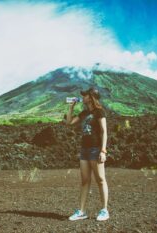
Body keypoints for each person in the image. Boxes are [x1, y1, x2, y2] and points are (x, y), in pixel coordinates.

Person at [65, 87, 109, 221]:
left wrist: (103, 150)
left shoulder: (99, 112)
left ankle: (104, 210)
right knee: (85, 181)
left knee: (100, 180)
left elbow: (103, 132)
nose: (82, 97)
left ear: (90, 97)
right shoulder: (84, 113)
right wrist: (71, 108)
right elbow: (69, 123)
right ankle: (82, 211)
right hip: (84, 150)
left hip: (96, 149)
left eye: (84, 95)